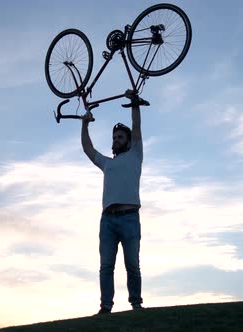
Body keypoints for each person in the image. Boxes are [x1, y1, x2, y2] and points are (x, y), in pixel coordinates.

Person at [81, 89, 148, 315]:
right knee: (106, 267)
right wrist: (85, 125)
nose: (116, 140)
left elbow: (137, 128)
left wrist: (134, 104)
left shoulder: (136, 154)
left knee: (132, 265)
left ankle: (136, 304)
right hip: (108, 221)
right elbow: (89, 150)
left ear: (128, 141)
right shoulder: (107, 164)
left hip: (130, 218)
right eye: (114, 137)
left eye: (120, 137)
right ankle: (105, 308)